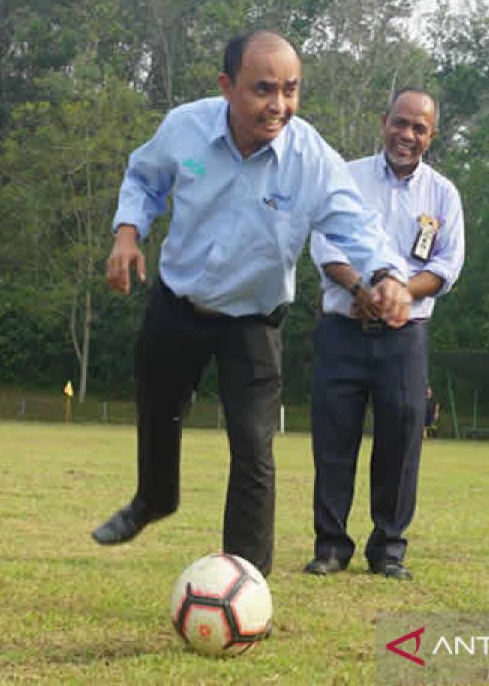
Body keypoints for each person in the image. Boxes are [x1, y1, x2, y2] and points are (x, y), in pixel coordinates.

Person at [91, 30, 413, 576]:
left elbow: (356, 223)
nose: (279, 105)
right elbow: (144, 179)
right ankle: (154, 498)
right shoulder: (185, 129)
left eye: (291, 90)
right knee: (157, 402)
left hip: (253, 322)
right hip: (179, 301)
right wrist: (127, 234)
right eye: (264, 89)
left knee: (252, 448)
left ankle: (245, 578)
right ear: (226, 86)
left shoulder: (309, 157)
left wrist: (387, 275)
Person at [303, 87, 464, 581]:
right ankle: (331, 547)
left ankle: (388, 549)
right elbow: (324, 244)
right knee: (334, 443)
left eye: (419, 128)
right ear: (383, 121)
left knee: (400, 444)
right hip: (343, 329)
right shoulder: (345, 178)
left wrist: (395, 294)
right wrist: (361, 285)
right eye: (400, 123)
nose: (407, 135)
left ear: (430, 136)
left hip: (405, 335)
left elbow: (446, 266)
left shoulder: (442, 194)